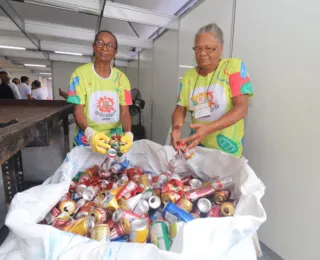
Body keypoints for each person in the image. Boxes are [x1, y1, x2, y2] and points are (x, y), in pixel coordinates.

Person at [171, 23, 253, 157]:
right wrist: (176, 128)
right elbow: (180, 109)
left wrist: (208, 129)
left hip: (226, 151)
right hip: (197, 148)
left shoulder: (233, 67)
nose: (202, 53)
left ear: (221, 47)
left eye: (208, 48)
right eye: (198, 49)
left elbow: (241, 108)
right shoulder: (188, 77)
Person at [67, 30, 133, 155]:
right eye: (100, 42)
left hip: (115, 141)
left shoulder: (122, 79)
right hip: (86, 140)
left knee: (114, 173)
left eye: (110, 45)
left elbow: (125, 112)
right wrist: (90, 134)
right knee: (85, 174)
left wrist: (128, 133)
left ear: (115, 52)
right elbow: (78, 111)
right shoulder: (79, 75)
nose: (104, 47)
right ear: (93, 46)